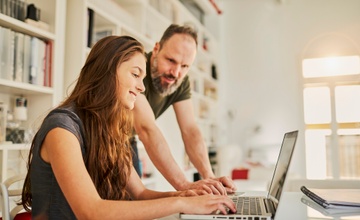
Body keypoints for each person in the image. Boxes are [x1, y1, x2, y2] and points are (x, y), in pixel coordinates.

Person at [20, 35, 236, 219]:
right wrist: (181, 204)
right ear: (107, 71)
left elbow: (140, 194)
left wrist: (186, 195)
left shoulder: (110, 130)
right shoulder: (62, 129)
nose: (142, 87)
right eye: (135, 75)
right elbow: (91, 211)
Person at [132, 24, 236, 195]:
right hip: (94, 135)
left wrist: (209, 177)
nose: (175, 72)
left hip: (126, 141)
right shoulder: (136, 67)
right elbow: (146, 129)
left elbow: (190, 130)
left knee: (132, 203)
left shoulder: (181, 82)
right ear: (156, 49)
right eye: (171, 60)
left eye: (185, 66)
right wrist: (184, 185)